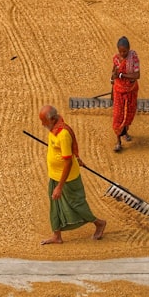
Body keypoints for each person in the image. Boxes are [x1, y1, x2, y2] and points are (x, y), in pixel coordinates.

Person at [38, 105, 106, 245]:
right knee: (55, 206)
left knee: (77, 204)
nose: (42, 124)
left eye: (44, 121)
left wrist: (60, 187)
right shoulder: (54, 129)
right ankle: (57, 236)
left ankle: (99, 223)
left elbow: (68, 163)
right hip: (54, 176)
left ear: (51, 119)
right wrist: (77, 157)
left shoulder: (63, 134)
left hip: (67, 179)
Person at [110, 36, 140, 153]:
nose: (122, 54)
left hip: (131, 91)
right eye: (120, 51)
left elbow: (137, 75)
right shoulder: (116, 59)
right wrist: (112, 78)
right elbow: (114, 71)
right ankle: (118, 141)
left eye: (125, 51)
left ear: (129, 49)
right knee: (118, 116)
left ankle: (125, 132)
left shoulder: (134, 58)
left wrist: (122, 76)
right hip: (119, 91)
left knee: (129, 113)